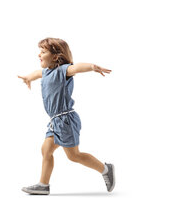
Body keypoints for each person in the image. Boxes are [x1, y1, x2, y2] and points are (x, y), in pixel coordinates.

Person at [17, 37, 114, 195]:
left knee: (74, 156)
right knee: (46, 150)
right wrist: (28, 78)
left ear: (55, 56)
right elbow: (36, 73)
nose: (39, 55)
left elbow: (75, 68)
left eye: (43, 52)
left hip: (66, 120)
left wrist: (92, 67)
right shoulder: (46, 72)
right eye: (39, 52)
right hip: (56, 121)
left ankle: (105, 169)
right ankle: (43, 185)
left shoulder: (62, 71)